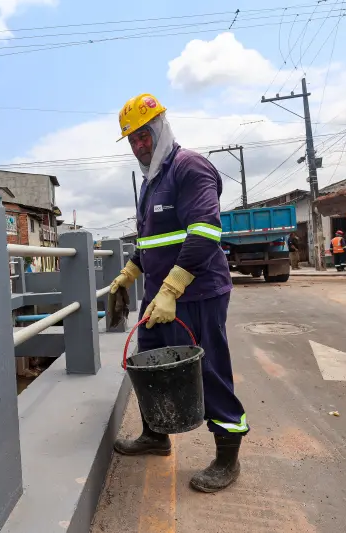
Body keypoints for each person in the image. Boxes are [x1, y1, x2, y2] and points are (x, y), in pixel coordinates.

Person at [109, 94, 247, 493]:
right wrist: (128, 273)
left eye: (143, 136)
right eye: (132, 140)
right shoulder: (151, 181)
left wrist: (172, 288)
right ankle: (155, 435)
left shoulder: (190, 168)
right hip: (160, 296)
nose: (139, 145)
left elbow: (205, 233)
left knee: (210, 371)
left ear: (160, 128)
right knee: (149, 362)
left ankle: (227, 456)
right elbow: (151, 240)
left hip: (197, 292)